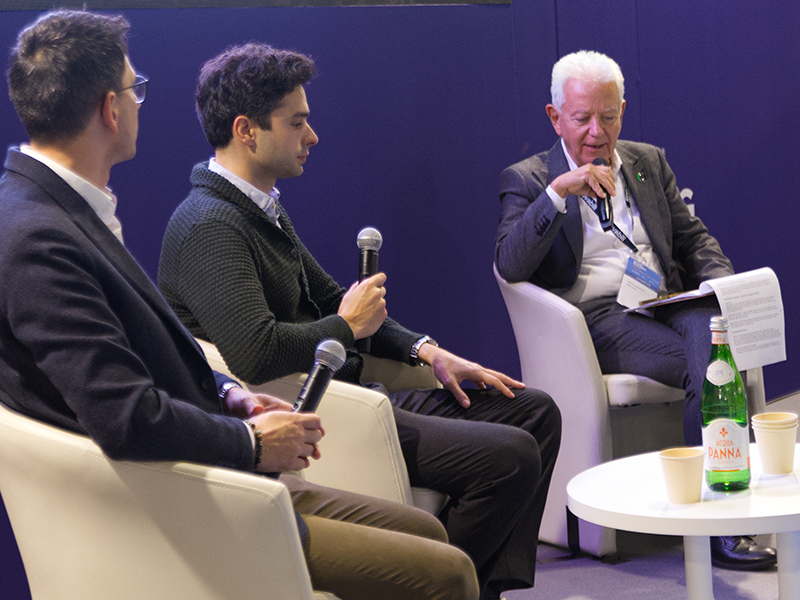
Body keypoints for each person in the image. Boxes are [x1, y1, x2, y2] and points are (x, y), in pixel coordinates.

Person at [0, 10, 481, 600]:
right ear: (109, 109)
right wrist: (252, 441)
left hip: (203, 467)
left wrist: (231, 394)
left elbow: (154, 348)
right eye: (134, 89)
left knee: (428, 531)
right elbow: (124, 416)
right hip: (177, 503)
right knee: (448, 574)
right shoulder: (38, 237)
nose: (139, 102)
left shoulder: (59, 208)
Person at [157, 43, 561, 600]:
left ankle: (476, 588)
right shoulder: (210, 224)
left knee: (535, 411)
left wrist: (427, 350)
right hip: (330, 413)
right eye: (296, 122)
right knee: (510, 458)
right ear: (246, 130)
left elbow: (334, 300)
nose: (312, 135)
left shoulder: (259, 206)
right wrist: (346, 326)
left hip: (360, 392)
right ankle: (436, 586)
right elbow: (257, 353)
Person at [494, 49, 776, 572]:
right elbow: (509, 263)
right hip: (596, 320)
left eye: (608, 116)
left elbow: (693, 239)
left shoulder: (647, 162)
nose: (596, 132)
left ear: (622, 110)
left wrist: (722, 287)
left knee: (715, 331)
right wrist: (559, 192)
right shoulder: (529, 179)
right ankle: (723, 521)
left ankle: (725, 510)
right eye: (582, 118)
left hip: (663, 303)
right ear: (555, 117)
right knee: (716, 362)